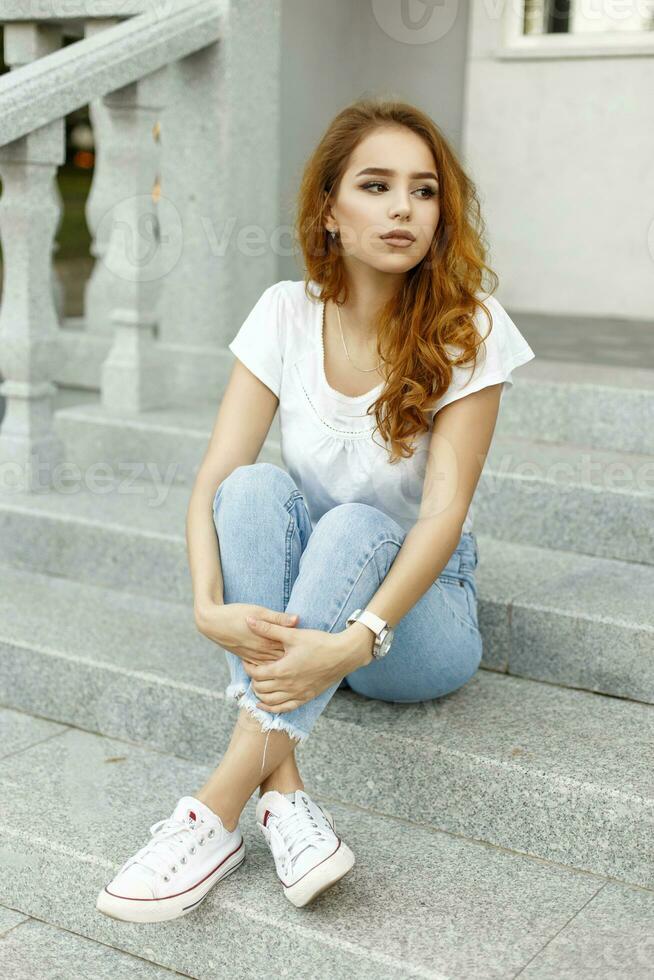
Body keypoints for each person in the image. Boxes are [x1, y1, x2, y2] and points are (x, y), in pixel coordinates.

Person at [96, 97, 535, 922]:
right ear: (330, 210)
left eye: (425, 190)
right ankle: (286, 797)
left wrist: (357, 641)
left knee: (357, 523)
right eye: (376, 186)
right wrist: (205, 607)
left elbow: (441, 516)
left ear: (442, 214)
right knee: (253, 489)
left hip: (413, 625)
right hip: (306, 618)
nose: (404, 207)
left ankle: (215, 810)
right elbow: (212, 484)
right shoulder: (284, 312)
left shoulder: (468, 329)